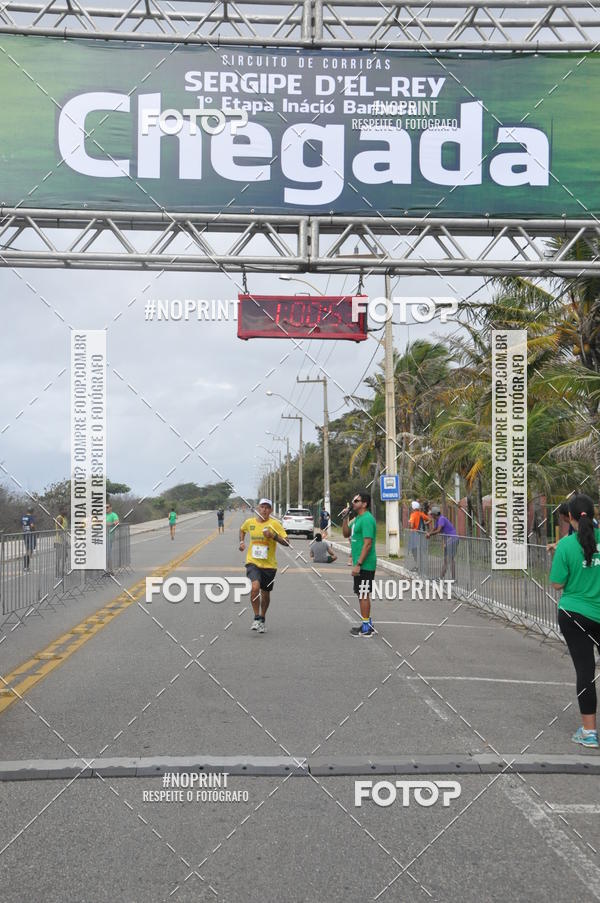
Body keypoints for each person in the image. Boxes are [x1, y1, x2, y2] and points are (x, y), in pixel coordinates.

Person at [549, 493, 600, 749]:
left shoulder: (566, 546)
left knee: (585, 671)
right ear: (594, 514)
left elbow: (557, 583)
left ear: (569, 517)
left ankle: (589, 732)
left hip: (574, 615)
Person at [239, 498, 289, 634]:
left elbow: (286, 542)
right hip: (253, 562)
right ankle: (256, 617)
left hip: (269, 565)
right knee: (255, 588)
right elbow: (242, 530)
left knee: (265, 594)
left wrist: (273, 536)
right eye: (262, 507)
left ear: (271, 510)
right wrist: (242, 542)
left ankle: (262, 618)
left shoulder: (275, 524)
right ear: (258, 508)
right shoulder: (250, 523)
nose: (264, 510)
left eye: (267, 507)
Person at [342, 492, 377, 637]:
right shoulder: (357, 519)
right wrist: (345, 518)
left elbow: (368, 544)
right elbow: (345, 534)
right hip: (359, 562)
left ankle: (366, 628)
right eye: (353, 500)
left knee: (363, 594)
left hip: (365, 564)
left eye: (356, 501)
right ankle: (367, 623)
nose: (353, 503)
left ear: (365, 504)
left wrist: (358, 564)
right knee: (360, 593)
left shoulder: (367, 519)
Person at [427, 506, 459, 580]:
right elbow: (434, 529)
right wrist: (429, 533)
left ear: (435, 514)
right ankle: (441, 578)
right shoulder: (438, 520)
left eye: (432, 514)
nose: (431, 516)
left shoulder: (441, 519)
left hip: (453, 539)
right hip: (450, 539)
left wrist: (429, 534)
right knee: (446, 560)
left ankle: (453, 579)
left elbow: (438, 530)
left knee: (450, 559)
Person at [407, 501, 430, 570]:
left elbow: (411, 525)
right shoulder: (421, 514)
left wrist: (411, 527)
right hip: (421, 534)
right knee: (420, 550)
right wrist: (424, 524)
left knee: (414, 550)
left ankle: (417, 565)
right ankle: (420, 565)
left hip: (414, 535)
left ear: (413, 507)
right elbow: (430, 520)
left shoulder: (413, 515)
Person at [105, 503, 120, 574]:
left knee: (108, 554)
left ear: (111, 508)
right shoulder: (103, 515)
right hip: (101, 538)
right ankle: (107, 570)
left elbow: (116, 522)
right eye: (104, 507)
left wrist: (107, 524)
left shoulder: (113, 515)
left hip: (109, 537)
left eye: (107, 507)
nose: (106, 509)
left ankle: (110, 570)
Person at [22, 507, 36, 573]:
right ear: (32, 511)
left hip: (25, 534)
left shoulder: (23, 517)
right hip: (30, 534)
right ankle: (26, 566)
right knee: (30, 550)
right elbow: (32, 525)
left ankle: (26, 567)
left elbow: (22, 525)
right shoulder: (31, 517)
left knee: (27, 549)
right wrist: (34, 531)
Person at [54, 511, 68, 578]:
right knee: (58, 558)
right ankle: (57, 573)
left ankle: (62, 571)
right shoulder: (59, 518)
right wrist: (64, 540)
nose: (67, 511)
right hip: (59, 541)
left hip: (63, 541)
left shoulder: (64, 518)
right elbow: (59, 531)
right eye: (65, 510)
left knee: (64, 557)